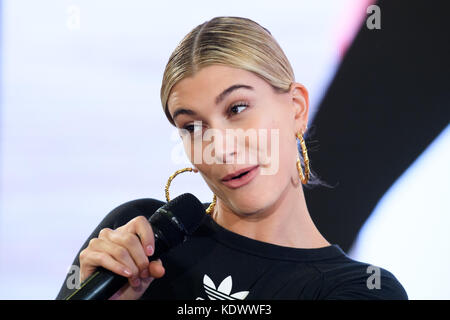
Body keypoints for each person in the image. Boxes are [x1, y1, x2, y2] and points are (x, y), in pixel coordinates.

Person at [56, 16, 407, 300]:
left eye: (237, 108)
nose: (220, 146)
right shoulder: (139, 240)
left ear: (296, 108)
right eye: (192, 126)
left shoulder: (362, 290)